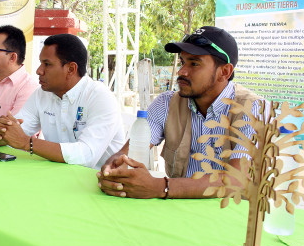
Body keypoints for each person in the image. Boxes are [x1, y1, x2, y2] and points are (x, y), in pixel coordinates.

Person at [97, 26, 263, 199]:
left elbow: (238, 179)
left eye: (194, 64)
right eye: (183, 62)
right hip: (178, 212)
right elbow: (127, 153)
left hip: (232, 218)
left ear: (224, 72)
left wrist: (162, 187)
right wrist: (113, 168)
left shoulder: (253, 109)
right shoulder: (166, 103)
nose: (182, 71)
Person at [0, 33, 125, 170]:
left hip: (99, 182)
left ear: (71, 69)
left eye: (47, 64)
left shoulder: (100, 97)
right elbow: (15, 131)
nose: (39, 71)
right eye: (40, 63)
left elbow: (86, 156)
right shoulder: (41, 94)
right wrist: (0, 134)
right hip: (58, 175)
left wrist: (27, 143)